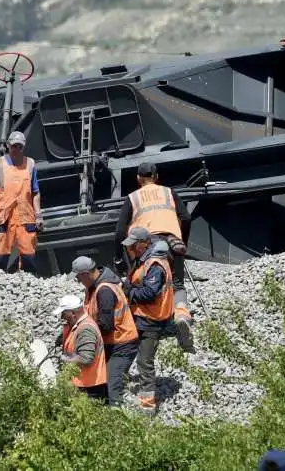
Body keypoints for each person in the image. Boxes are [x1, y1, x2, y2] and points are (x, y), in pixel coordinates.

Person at [113, 162, 195, 353]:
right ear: (157, 177)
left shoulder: (133, 197)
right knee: (177, 284)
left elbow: (119, 231)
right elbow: (186, 217)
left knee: (143, 283)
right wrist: (183, 240)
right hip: (174, 243)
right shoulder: (169, 192)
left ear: (138, 179)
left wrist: (118, 257)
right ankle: (182, 316)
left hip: (147, 246)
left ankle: (148, 323)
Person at [70, 255, 139, 407]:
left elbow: (105, 326)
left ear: (86, 274)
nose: (78, 282)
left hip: (123, 344)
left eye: (79, 278)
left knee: (112, 382)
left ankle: (117, 416)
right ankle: (103, 411)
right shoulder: (93, 287)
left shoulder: (104, 291)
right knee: (100, 380)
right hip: (111, 343)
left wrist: (84, 336)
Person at [120, 226, 176, 413]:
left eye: (133, 246)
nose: (130, 250)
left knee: (144, 361)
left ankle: (148, 405)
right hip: (142, 317)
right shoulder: (143, 260)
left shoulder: (154, 264)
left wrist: (129, 292)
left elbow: (150, 293)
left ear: (144, 244)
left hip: (152, 321)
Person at [0, 131, 43, 274]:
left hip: (25, 216)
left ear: (23, 147)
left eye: (19, 146)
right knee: (1, 252)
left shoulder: (30, 164)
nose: (16, 149)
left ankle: (29, 283)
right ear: (8, 146)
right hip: (4, 217)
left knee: (28, 251)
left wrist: (39, 215)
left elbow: (35, 192)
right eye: (13, 146)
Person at [53, 294, 108, 403]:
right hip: (84, 384)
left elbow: (86, 358)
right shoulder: (79, 325)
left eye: (64, 313)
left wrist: (64, 359)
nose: (62, 318)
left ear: (73, 313)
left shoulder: (86, 329)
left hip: (89, 388)